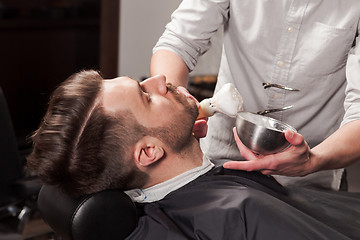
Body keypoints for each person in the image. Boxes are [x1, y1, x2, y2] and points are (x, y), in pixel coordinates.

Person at [27, 70, 360, 239]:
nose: (159, 80)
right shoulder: (237, 214)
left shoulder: (181, 203)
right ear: (148, 151)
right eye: (146, 96)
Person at [150, 0, 360, 190]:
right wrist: (173, 103)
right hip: (218, 161)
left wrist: (313, 160)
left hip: (311, 180)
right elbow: (178, 42)